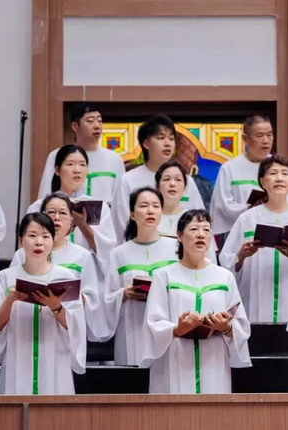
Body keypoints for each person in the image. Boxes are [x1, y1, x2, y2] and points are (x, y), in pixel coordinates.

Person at [141, 210, 251, 393]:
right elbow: (153, 322)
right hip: (175, 361)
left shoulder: (224, 277)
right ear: (179, 236)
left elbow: (240, 324)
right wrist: (176, 329)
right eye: (194, 229)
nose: (201, 234)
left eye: (206, 230)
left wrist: (225, 327)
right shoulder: (164, 276)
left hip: (214, 362)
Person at [0, 213, 86, 394]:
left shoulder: (65, 278)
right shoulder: (6, 277)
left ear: (52, 241)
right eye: (32, 235)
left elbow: (76, 327)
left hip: (55, 359)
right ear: (21, 240)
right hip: (18, 359)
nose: (39, 242)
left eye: (46, 236)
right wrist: (10, 300)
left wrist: (56, 306)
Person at [219, 154, 288, 324]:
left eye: (285, 174)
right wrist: (241, 256)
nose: (279, 178)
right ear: (262, 182)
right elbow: (226, 261)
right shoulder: (247, 218)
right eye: (273, 173)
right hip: (255, 296)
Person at [13, 192, 107, 342]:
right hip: (29, 323)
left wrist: (75, 297)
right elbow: (11, 287)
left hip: (66, 329)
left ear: (71, 221)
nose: (56, 218)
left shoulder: (82, 256)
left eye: (63, 213)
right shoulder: (22, 254)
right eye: (51, 212)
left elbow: (92, 299)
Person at [103, 188, 179, 365]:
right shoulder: (118, 254)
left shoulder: (176, 248)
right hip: (132, 325)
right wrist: (124, 293)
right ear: (132, 214)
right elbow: (107, 298)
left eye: (156, 206)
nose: (150, 210)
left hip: (167, 325)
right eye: (144, 206)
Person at [27, 145, 117, 277]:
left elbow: (107, 251)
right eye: (70, 164)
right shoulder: (39, 207)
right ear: (57, 170)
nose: (77, 170)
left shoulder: (99, 207)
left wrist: (82, 224)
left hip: (87, 274)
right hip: (47, 271)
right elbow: (29, 243)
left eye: (82, 164)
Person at [112, 115, 204, 242]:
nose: (168, 143)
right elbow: (120, 225)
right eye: (161, 138)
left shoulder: (186, 181)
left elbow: (200, 221)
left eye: (171, 138)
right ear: (146, 143)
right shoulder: (128, 180)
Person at [37, 103, 125, 203]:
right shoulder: (58, 155)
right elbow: (45, 195)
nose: (97, 126)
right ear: (75, 126)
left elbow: (120, 200)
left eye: (99, 121)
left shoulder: (114, 159)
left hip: (103, 216)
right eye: (90, 121)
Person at [210, 115, 273, 236]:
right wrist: (250, 208)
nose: (266, 140)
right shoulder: (229, 168)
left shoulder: (280, 166)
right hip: (238, 233)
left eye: (269, 135)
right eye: (260, 136)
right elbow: (222, 205)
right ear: (245, 139)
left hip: (272, 230)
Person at [156, 161, 217, 263]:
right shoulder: (149, 218)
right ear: (157, 186)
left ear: (185, 188)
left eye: (178, 179)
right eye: (166, 179)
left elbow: (209, 259)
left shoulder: (196, 221)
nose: (172, 184)